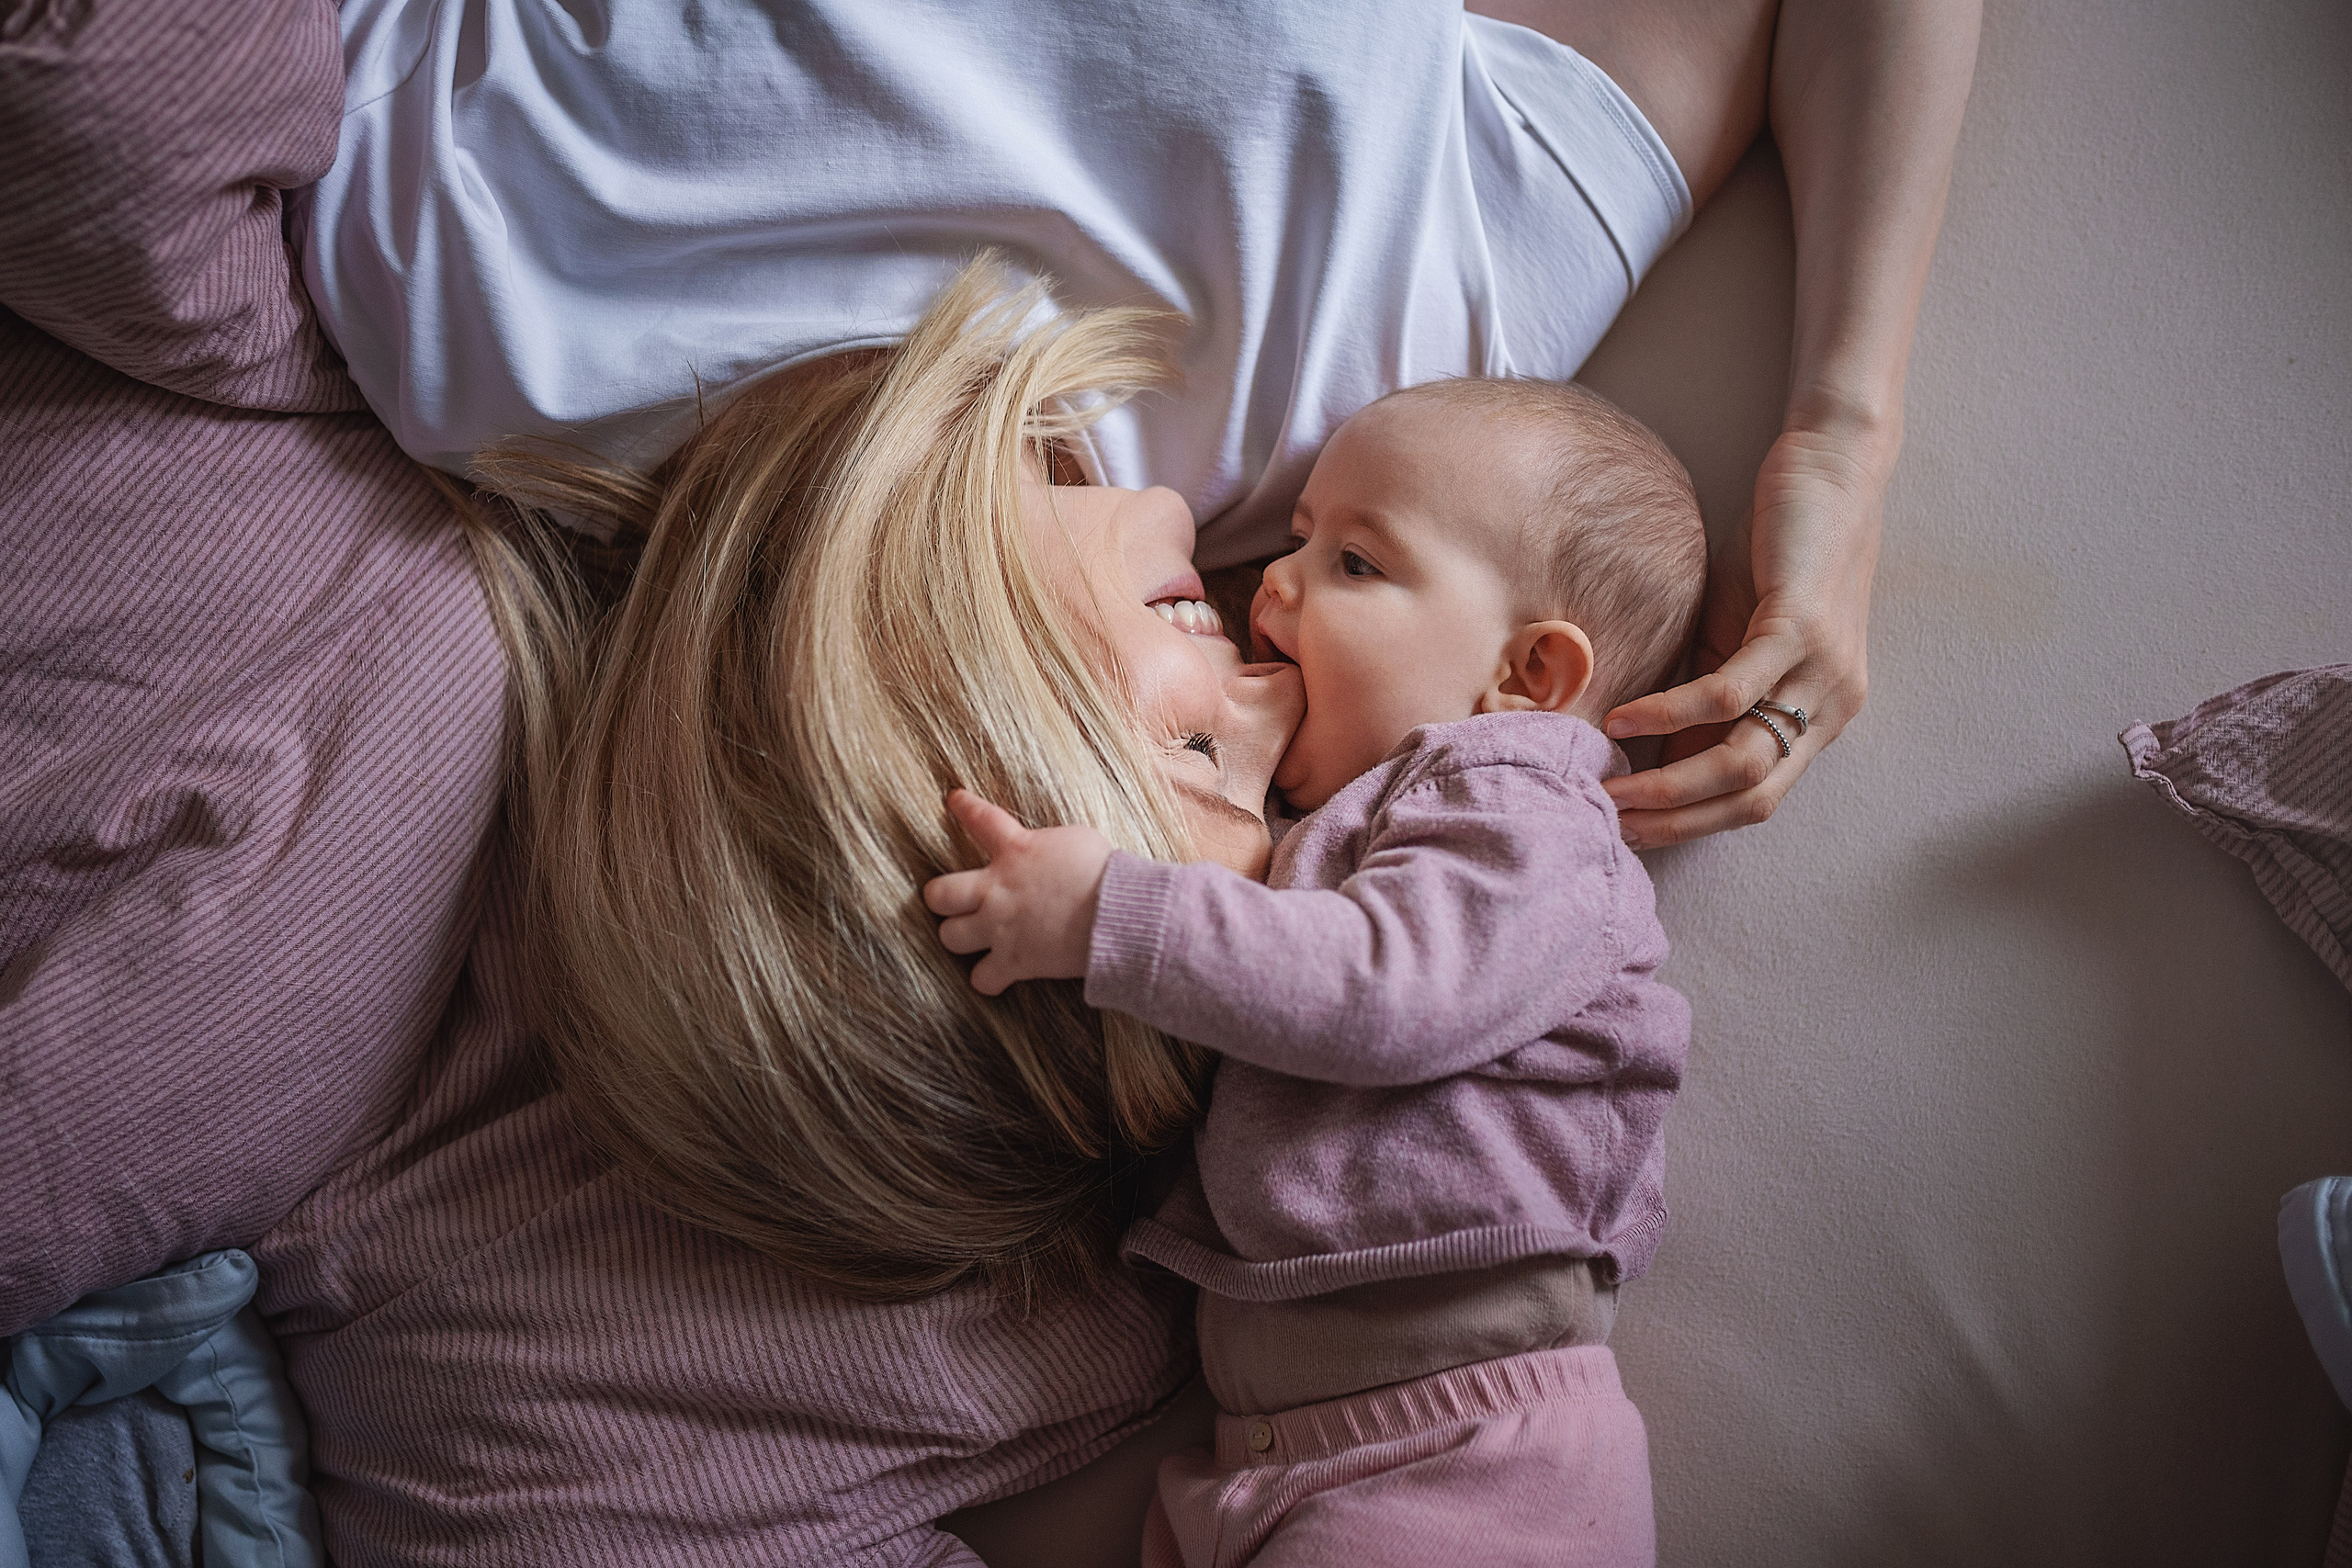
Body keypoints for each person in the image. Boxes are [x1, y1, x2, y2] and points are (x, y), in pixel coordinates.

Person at [922, 376, 1704, 1564]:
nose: (1276, 585)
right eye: (1295, 540)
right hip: (1283, 1446)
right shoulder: (1360, 829)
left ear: (1528, 676)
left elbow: (1388, 992)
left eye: (1355, 563)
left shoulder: (1524, 810)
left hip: (1468, 1443)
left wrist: (1110, 914)